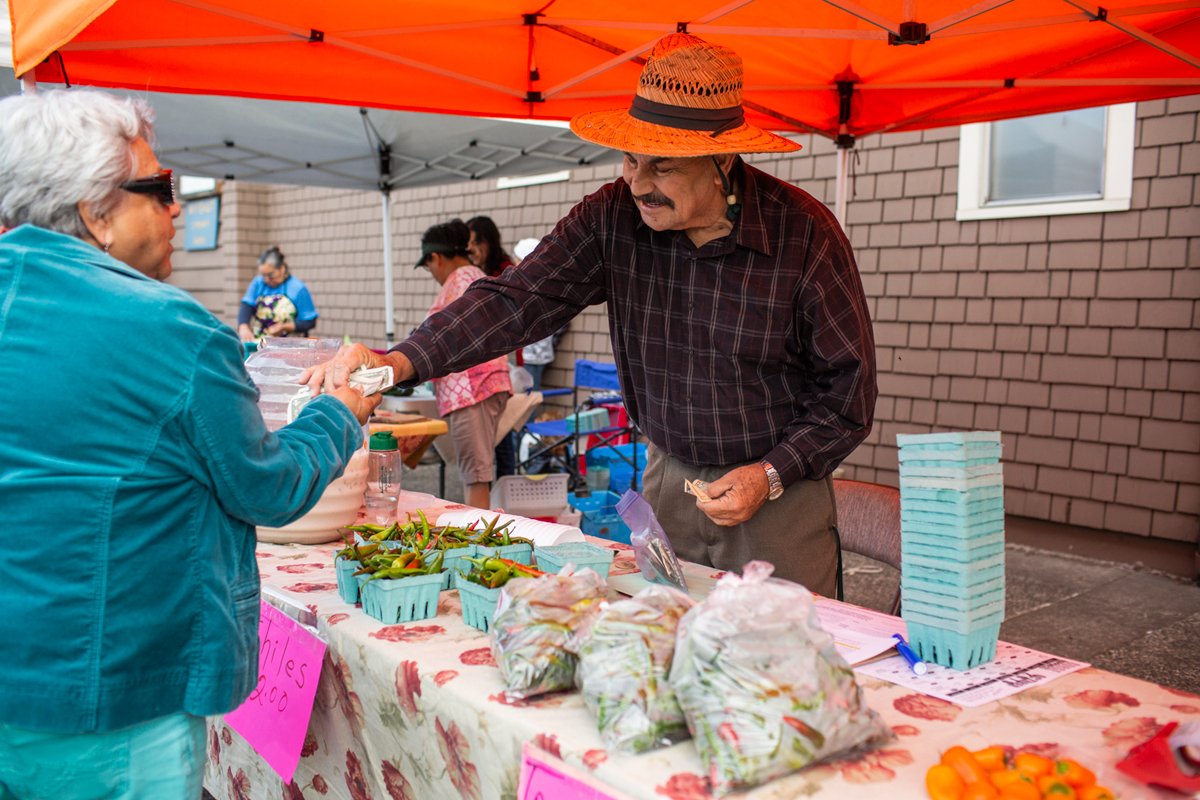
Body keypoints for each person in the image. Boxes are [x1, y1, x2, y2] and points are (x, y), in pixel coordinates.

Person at [306, 33, 877, 595]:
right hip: (668, 477)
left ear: (722, 159)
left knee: (784, 663)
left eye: (663, 166)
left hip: (779, 490)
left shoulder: (804, 234)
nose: (638, 183)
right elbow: (515, 300)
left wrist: (772, 472)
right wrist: (396, 360)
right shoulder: (613, 216)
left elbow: (847, 393)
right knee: (665, 641)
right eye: (630, 159)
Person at [0, 89, 379, 799]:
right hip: (111, 694)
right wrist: (340, 410)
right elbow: (266, 488)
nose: (177, 209)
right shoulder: (168, 327)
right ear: (97, 213)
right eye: (160, 189)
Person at [415, 219, 512, 509]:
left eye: (428, 265)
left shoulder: (459, 281)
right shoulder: (472, 276)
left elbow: (445, 335)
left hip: (471, 391)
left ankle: (478, 549)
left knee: (475, 477)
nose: (431, 272)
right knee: (477, 472)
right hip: (479, 388)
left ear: (436, 257)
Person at [467, 215, 520, 476]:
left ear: (490, 241)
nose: (471, 249)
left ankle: (506, 486)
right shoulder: (471, 272)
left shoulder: (504, 270)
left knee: (503, 433)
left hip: (501, 362)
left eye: (477, 242)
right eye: (468, 242)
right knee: (486, 440)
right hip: (479, 366)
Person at [237, 245, 319, 340]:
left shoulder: (297, 288)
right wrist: (243, 326)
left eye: (270, 275)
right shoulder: (258, 283)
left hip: (290, 346)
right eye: (263, 275)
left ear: (282, 269)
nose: (267, 280)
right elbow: (246, 305)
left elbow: (310, 321)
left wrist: (284, 327)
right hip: (261, 344)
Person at [512, 237, 560, 390]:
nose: (514, 264)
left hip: (533, 354)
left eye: (517, 260)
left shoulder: (534, 285)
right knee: (525, 393)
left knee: (528, 395)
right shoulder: (539, 282)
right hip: (530, 352)